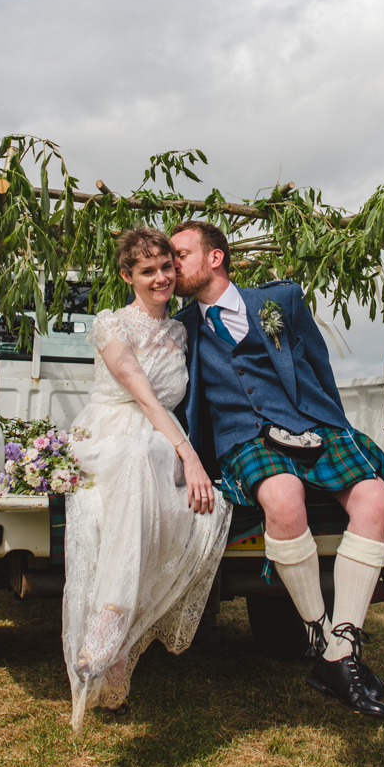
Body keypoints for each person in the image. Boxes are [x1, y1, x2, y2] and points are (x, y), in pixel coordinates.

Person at [170, 220, 384, 721]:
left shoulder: (281, 301)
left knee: (376, 497)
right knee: (284, 495)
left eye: (181, 253)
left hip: (310, 422)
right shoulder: (181, 325)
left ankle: (343, 648)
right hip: (244, 437)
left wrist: (329, 426)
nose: (173, 263)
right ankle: (323, 641)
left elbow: (317, 366)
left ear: (215, 257)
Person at [62, 227, 232, 731]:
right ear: (127, 276)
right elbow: (141, 393)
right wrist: (189, 453)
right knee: (138, 456)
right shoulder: (111, 323)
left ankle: (115, 646)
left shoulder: (182, 331)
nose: (160, 278)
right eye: (146, 271)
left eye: (165, 267)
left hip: (159, 439)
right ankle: (106, 625)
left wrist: (184, 448)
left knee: (169, 484)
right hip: (113, 429)